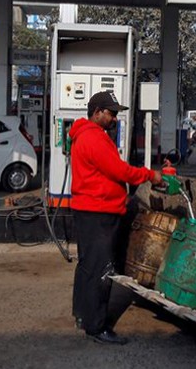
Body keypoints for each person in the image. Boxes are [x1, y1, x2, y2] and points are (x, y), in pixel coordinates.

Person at [69, 91, 163, 345]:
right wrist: (150, 175)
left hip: (89, 209)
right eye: (111, 113)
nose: (114, 118)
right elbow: (119, 170)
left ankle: (83, 315)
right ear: (97, 111)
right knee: (101, 269)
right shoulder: (93, 137)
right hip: (99, 211)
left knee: (88, 265)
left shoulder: (85, 135)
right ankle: (97, 326)